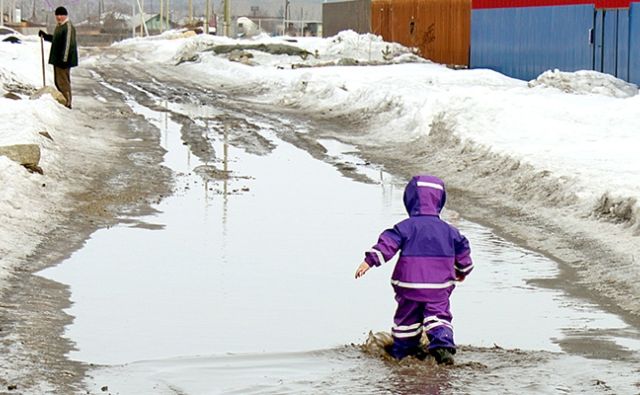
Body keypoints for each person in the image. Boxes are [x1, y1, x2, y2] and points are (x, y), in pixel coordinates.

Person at [355, 174, 473, 365]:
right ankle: (442, 346)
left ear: (410, 200)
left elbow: (388, 243)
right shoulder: (449, 230)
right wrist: (462, 270)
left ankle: (404, 351)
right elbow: (463, 250)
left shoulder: (405, 227)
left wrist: (369, 261)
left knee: (407, 319)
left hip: (409, 285)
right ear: (439, 201)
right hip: (439, 287)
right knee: (438, 314)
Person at [39, 6, 78, 109]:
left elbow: (67, 45)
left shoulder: (68, 27)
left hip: (63, 61)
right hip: (58, 60)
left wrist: (64, 60)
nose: (59, 17)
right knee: (58, 81)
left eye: (61, 15)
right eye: (57, 15)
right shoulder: (60, 26)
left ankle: (67, 103)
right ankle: (63, 100)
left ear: (66, 15)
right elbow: (57, 40)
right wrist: (46, 36)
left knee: (63, 82)